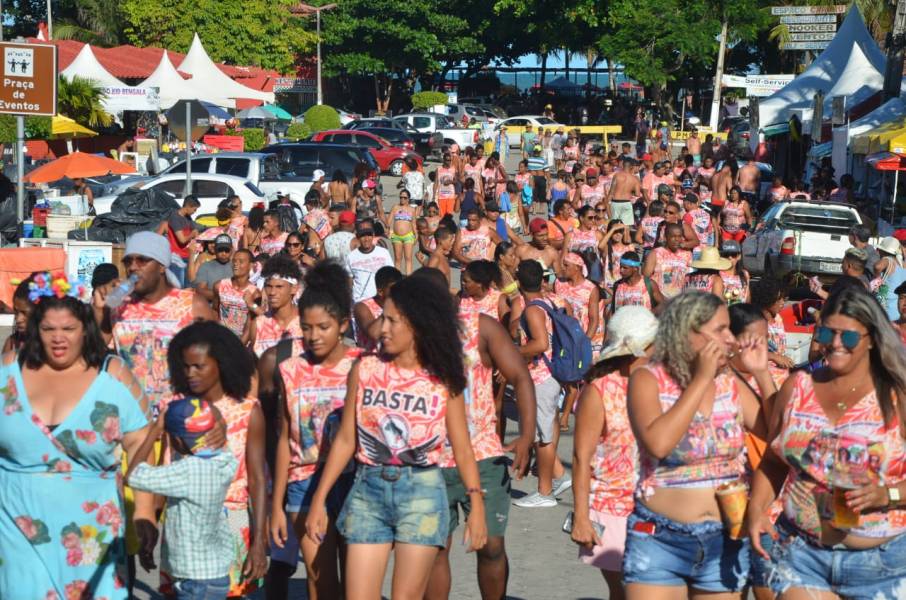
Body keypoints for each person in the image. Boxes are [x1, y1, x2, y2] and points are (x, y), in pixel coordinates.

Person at [304, 274, 488, 599]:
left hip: (422, 493)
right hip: (367, 489)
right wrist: (319, 499)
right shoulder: (365, 369)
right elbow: (346, 439)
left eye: (391, 320)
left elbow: (462, 448)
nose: (382, 329)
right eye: (382, 319)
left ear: (417, 324)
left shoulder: (443, 379)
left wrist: (476, 507)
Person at [748, 286, 906, 600]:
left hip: (882, 564)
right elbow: (774, 460)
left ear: (872, 339)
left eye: (848, 337)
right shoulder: (797, 387)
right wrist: (756, 509)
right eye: (825, 333)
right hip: (801, 553)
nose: (834, 344)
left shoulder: (896, 395)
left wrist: (886, 494)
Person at [0, 276, 152, 599]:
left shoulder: (113, 374)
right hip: (15, 528)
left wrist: (144, 509)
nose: (58, 338)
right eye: (48, 329)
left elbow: (140, 441)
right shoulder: (10, 368)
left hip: (92, 534)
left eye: (68, 329)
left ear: (85, 328)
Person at [624, 291, 772, 599]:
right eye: (720, 329)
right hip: (660, 538)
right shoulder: (648, 379)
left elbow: (776, 432)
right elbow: (658, 444)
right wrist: (701, 380)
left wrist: (761, 372)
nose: (730, 338)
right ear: (687, 332)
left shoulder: (729, 381)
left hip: (725, 536)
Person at [422, 265, 537, 600]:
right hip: (429, 461)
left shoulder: (480, 327)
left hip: (483, 455)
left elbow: (520, 376)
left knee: (491, 547)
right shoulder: (407, 336)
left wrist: (527, 436)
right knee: (434, 550)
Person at [270, 262, 360, 600]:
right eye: (306, 328)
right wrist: (276, 504)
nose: (314, 336)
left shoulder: (362, 364)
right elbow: (284, 437)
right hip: (303, 483)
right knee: (320, 579)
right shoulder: (289, 369)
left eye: (323, 327)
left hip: (354, 480)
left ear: (342, 325)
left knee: (355, 582)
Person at [166, 322, 268, 597]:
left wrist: (259, 540)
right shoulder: (176, 409)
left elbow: (258, 479)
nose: (191, 374)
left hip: (231, 519)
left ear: (221, 365)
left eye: (199, 366)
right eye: (186, 366)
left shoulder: (248, 411)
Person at [572, 306, 659, 600]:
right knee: (626, 590)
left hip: (657, 505)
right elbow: (581, 457)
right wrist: (581, 516)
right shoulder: (599, 390)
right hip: (611, 507)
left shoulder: (663, 383)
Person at [126, 398, 237, 600]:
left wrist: (154, 431)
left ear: (176, 441)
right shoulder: (225, 460)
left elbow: (133, 475)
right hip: (216, 572)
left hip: (196, 580)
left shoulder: (188, 471)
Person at [101, 231, 215, 410]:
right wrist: (99, 309)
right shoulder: (117, 307)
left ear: (161, 266)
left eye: (142, 260)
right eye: (128, 261)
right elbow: (93, 353)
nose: (133, 267)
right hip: (130, 416)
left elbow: (217, 360)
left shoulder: (192, 305)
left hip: (178, 415)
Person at [512, 260, 571, 508]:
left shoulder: (533, 310)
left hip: (541, 377)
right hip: (547, 375)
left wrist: (512, 354)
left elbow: (540, 344)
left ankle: (544, 493)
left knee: (544, 436)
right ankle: (559, 477)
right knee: (541, 433)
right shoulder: (549, 302)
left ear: (518, 281)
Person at [249, 255, 304, 356]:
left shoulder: (306, 322)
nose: (272, 292)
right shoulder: (257, 325)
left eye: (279, 286)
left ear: (294, 289)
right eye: (269, 286)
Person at [213, 249, 259, 344]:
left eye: (241, 261)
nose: (235, 264)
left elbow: (249, 327)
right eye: (234, 261)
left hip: (241, 343)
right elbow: (214, 311)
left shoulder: (255, 293)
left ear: (250, 265)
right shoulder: (219, 286)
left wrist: (238, 348)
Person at [354, 265, 403, 352]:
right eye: (393, 289)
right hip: (370, 358)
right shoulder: (362, 307)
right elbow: (374, 334)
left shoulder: (402, 306)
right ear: (380, 291)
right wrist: (391, 306)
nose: (398, 292)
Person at [345, 218, 395, 303]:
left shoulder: (383, 253)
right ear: (357, 237)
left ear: (373, 235)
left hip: (379, 302)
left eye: (369, 235)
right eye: (362, 235)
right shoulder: (351, 256)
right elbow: (349, 280)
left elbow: (391, 276)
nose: (366, 239)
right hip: (359, 302)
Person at [750, 277, 795, 371]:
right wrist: (774, 357)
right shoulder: (754, 321)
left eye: (784, 299)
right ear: (767, 299)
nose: (782, 303)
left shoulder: (778, 319)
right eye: (779, 299)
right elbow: (748, 352)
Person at [159, 195, 201, 287]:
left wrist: (195, 234)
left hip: (187, 257)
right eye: (194, 209)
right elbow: (182, 240)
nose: (195, 212)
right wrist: (192, 234)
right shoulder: (175, 218)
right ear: (188, 206)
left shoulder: (188, 218)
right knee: (179, 287)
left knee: (188, 287)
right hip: (177, 259)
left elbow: (195, 231)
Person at [193, 234, 234, 302]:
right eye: (220, 250)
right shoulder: (205, 266)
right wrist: (224, 297)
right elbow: (200, 290)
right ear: (215, 250)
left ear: (232, 250)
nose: (223, 253)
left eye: (227, 250)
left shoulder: (236, 267)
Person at [390, 189, 420, 275]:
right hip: (396, 236)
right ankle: (397, 279)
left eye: (405, 198)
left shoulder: (412, 210)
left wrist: (416, 235)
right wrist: (389, 232)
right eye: (401, 197)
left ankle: (408, 278)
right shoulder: (395, 207)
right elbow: (389, 221)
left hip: (408, 236)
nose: (402, 199)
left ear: (408, 199)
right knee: (398, 258)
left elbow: (414, 224)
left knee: (408, 258)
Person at [606, 159, 641, 225]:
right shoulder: (634, 179)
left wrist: (607, 204)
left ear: (623, 165)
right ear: (631, 167)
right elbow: (637, 194)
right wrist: (630, 191)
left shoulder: (617, 176)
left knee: (614, 225)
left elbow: (611, 192)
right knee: (626, 226)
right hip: (626, 202)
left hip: (616, 202)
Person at [681, 192, 715, 256]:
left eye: (684, 203)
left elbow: (685, 232)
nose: (683, 205)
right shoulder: (706, 214)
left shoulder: (687, 216)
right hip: (706, 250)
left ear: (689, 204)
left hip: (695, 249)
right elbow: (710, 232)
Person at [719, 240, 750, 305]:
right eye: (726, 255)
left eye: (733, 255)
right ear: (720, 256)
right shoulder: (717, 274)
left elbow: (747, 299)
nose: (730, 257)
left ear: (739, 256)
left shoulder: (744, 274)